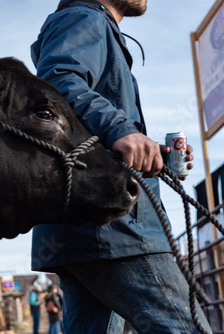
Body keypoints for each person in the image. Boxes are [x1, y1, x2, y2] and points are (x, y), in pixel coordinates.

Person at [30, 0, 212, 333]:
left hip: (81, 228)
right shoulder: (84, 17)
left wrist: (143, 146)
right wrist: (122, 129)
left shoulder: (82, 25)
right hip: (115, 227)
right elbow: (58, 82)